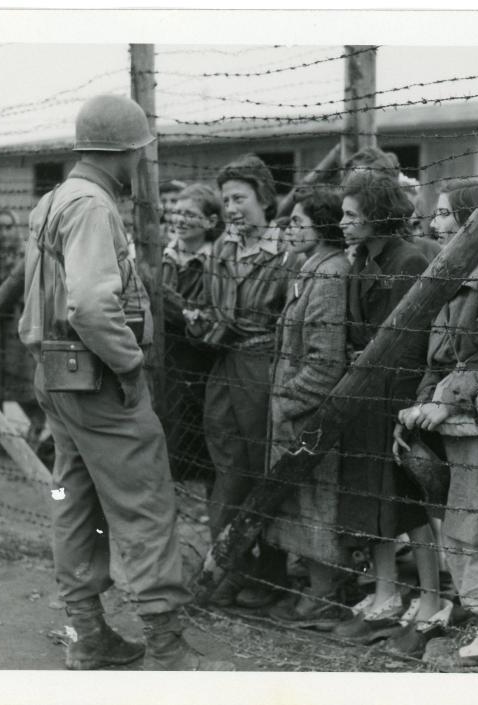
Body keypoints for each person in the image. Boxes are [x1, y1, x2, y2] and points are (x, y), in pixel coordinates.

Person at [18, 94, 227, 671]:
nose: (141, 162)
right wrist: (130, 363)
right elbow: (89, 303)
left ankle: (88, 634)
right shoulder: (93, 206)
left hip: (58, 378)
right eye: (139, 153)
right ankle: (167, 645)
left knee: (74, 501)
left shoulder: (54, 200)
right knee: (145, 505)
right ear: (127, 151)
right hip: (99, 380)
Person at [393, 180, 478, 672]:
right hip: (450, 430)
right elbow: (436, 358)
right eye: (437, 215)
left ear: (475, 221)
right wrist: (418, 407)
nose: (436, 224)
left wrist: (446, 402)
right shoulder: (454, 275)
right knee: (459, 529)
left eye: (447, 215)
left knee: (476, 530)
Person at [184, 154, 299, 609]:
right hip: (224, 369)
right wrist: (200, 322)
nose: (232, 208)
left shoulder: (287, 254)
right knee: (226, 470)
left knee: (264, 468)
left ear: (265, 199)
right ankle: (230, 568)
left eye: (241, 198)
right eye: (227, 199)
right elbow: (216, 312)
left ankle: (273, 573)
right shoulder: (221, 251)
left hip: (265, 371)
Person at [330, 170, 440, 644]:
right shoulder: (361, 260)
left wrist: (392, 396)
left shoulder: (407, 261)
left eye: (352, 215)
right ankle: (385, 595)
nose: (343, 223)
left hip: (393, 401)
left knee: (408, 506)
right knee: (371, 503)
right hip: (362, 398)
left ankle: (433, 599)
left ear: (377, 216)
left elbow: (410, 344)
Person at [264, 188, 352, 629]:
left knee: (317, 502)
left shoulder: (332, 274)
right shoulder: (312, 268)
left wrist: (286, 401)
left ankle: (325, 595)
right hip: (298, 411)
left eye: (300, 221)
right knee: (304, 501)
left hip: (310, 415)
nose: (290, 228)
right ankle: (319, 588)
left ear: (323, 227)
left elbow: (325, 361)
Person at [159, 183, 222, 487]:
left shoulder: (216, 263)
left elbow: (204, 321)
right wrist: (184, 312)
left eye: (190, 214)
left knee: (194, 428)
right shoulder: (162, 256)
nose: (180, 220)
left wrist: (162, 297)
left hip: (198, 362)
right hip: (163, 357)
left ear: (210, 222)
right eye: (177, 212)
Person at [0, 209, 45, 448]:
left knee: (24, 383)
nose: (3, 233)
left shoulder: (26, 253)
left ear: (15, 228)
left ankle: (37, 423)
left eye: (8, 227)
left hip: (20, 326)